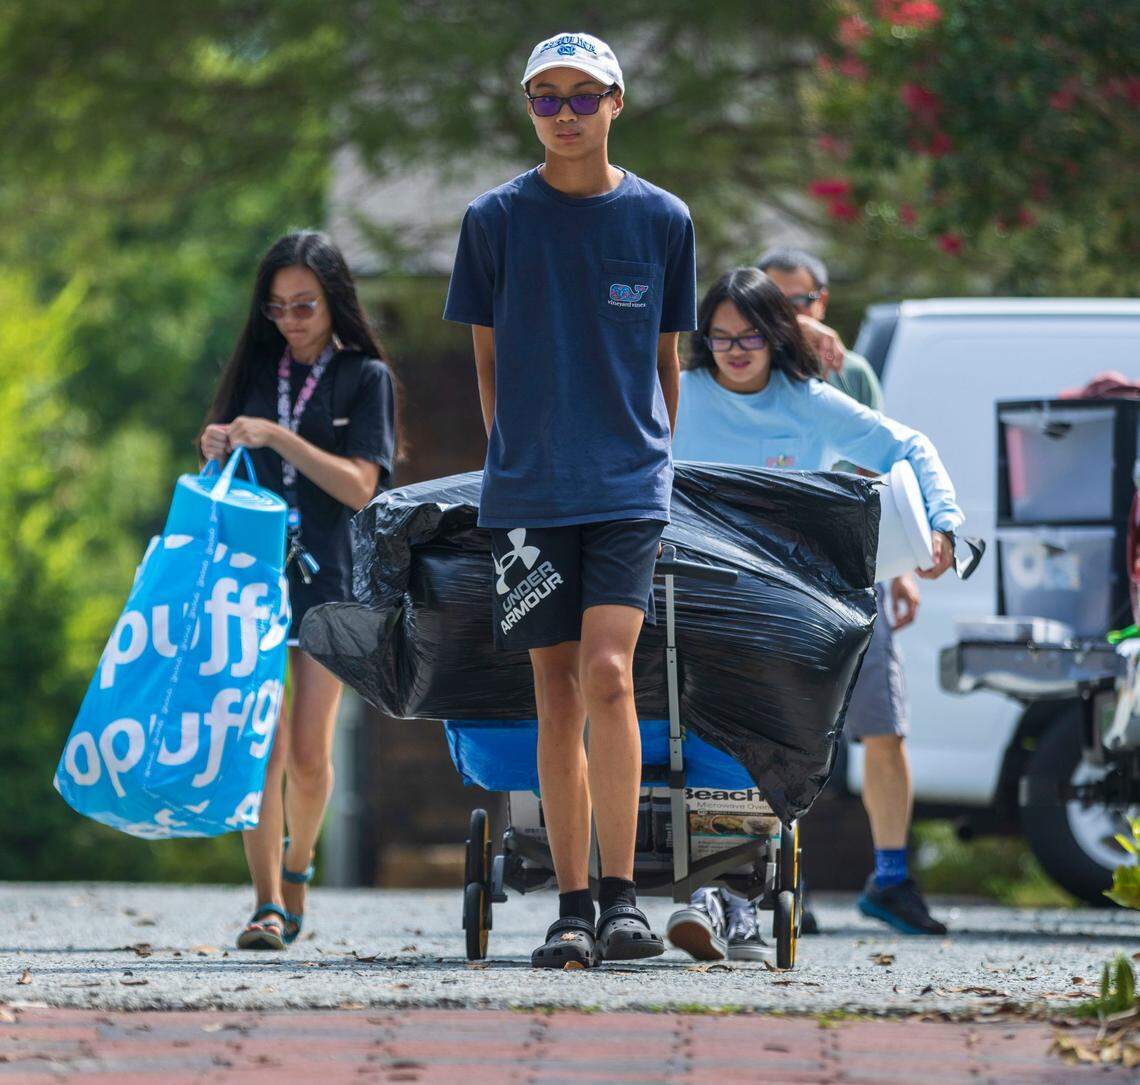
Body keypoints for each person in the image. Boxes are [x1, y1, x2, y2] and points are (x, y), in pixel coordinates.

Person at [664, 266, 962, 960]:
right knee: (708, 742)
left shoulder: (807, 403)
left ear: (776, 336)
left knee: (775, 746)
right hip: (699, 605)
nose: (735, 351)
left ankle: (725, 895)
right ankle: (720, 894)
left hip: (792, 612)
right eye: (720, 337)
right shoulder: (677, 396)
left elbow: (909, 446)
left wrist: (941, 521)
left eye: (750, 337)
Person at [199, 230, 397, 950]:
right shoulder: (258, 370)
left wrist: (279, 436)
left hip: (332, 582)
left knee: (311, 752)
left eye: (304, 306)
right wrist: (218, 441)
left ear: (334, 301)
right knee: (261, 746)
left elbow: (359, 485)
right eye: (277, 307)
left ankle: (298, 867)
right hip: (249, 581)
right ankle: (266, 904)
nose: (290, 320)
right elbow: (219, 459)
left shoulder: (364, 379)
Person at [757, 247, 934, 936]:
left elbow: (883, 471)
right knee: (776, 729)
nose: (787, 317)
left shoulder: (849, 372)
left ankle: (891, 876)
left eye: (799, 303)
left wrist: (905, 569)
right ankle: (772, 880)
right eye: (772, 304)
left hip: (852, 573)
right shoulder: (744, 372)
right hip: (777, 580)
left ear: (822, 302)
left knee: (884, 724)